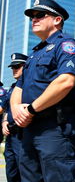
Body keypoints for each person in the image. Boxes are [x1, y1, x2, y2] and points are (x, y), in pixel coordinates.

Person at [10, 0, 75, 182]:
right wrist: (16, 111)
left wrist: (30, 109)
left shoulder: (67, 46)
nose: (34, 19)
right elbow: (18, 87)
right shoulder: (35, 53)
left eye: (40, 15)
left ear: (57, 19)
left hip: (55, 130)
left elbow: (65, 82)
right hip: (29, 128)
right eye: (32, 16)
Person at [1, 53, 28, 182]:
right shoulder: (13, 88)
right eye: (12, 67)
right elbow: (6, 109)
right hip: (11, 136)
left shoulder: (30, 87)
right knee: (11, 172)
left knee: (24, 172)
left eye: (17, 66)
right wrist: (4, 121)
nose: (14, 69)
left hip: (23, 135)